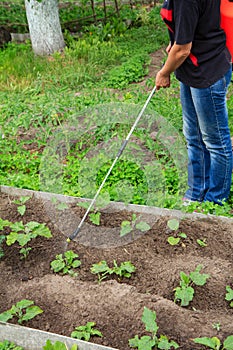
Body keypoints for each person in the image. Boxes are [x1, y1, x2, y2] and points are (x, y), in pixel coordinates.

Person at [156, 0, 232, 205]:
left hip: (207, 71)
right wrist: (178, 37)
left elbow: (182, 50)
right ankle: (196, 193)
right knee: (193, 137)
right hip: (193, 69)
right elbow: (193, 26)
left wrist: (164, 73)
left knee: (215, 141)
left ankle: (216, 200)